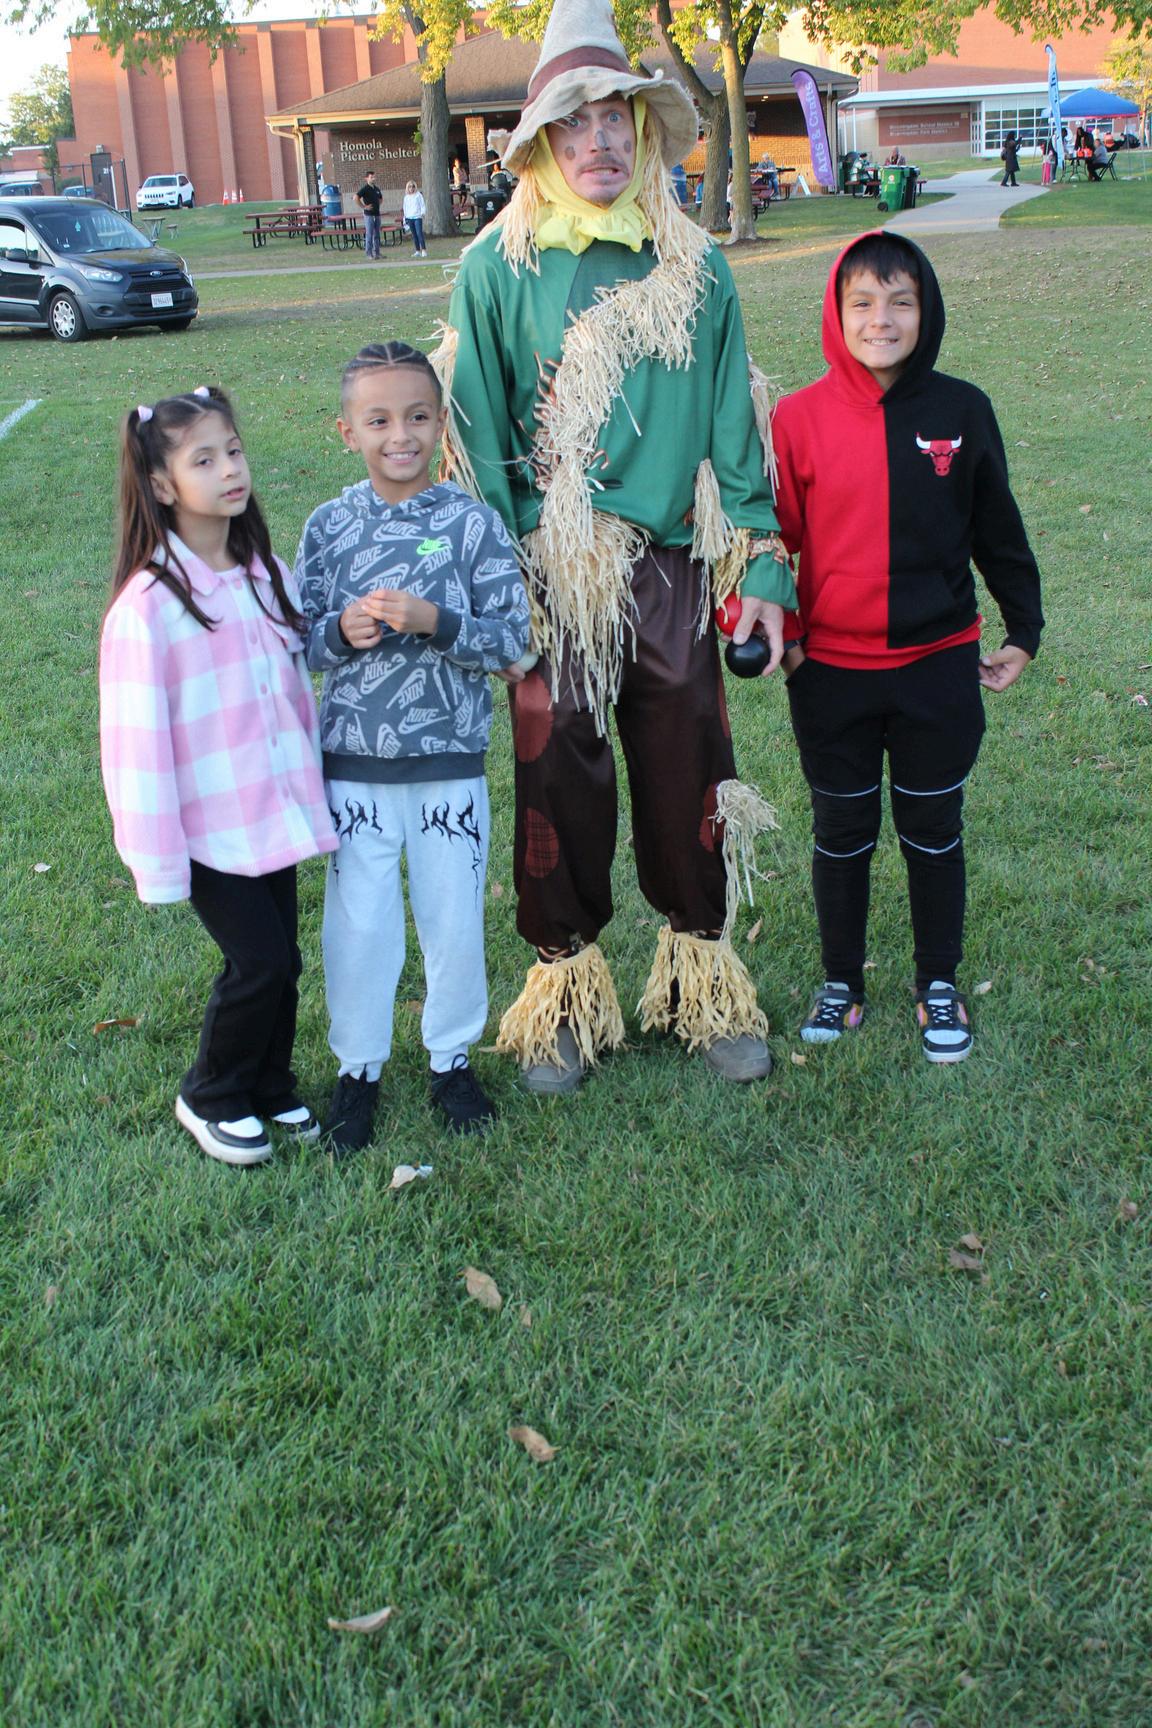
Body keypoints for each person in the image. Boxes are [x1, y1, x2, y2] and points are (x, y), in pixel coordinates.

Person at [436, 0, 794, 1095]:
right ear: (541, 141)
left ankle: (702, 978)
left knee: (691, 754)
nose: (598, 141)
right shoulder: (495, 270)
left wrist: (760, 567)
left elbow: (734, 430)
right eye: (574, 121)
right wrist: (508, 579)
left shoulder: (699, 268)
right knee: (557, 766)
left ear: (643, 135)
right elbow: (479, 440)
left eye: (615, 121)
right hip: (549, 568)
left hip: (672, 565)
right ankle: (564, 991)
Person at [771, 231, 1044, 1064]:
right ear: (836, 311)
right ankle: (840, 981)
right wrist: (782, 638)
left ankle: (938, 982)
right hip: (831, 673)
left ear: (927, 311)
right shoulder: (797, 418)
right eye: (862, 303)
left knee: (932, 828)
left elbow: (998, 528)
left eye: (901, 302)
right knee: (841, 829)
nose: (881, 320)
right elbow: (769, 542)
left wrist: (1022, 630)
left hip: (937, 668)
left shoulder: (963, 410)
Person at [295, 344, 529, 1155]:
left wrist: (439, 623)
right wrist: (338, 631)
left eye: (418, 417)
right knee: (358, 923)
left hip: (448, 765)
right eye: (379, 420)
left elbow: (514, 642)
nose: (401, 435)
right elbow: (297, 642)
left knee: (453, 916)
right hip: (354, 766)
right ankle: (357, 1068)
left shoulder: (471, 523)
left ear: (440, 424)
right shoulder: (328, 527)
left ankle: (451, 1059)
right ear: (348, 432)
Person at [99, 387, 337, 1165]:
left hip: (272, 809)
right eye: (203, 460)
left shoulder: (265, 573)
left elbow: (291, 681)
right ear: (162, 485)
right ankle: (211, 1093)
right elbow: (135, 746)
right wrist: (157, 859)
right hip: (207, 827)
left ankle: (270, 1082)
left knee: (285, 959)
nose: (230, 469)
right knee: (257, 962)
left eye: (233, 451)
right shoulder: (147, 607)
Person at [356, 170, 382, 260]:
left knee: (377, 234)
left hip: (377, 214)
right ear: (366, 178)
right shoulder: (365, 189)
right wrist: (364, 207)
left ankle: (377, 253)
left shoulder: (376, 189)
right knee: (369, 234)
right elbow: (356, 197)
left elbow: (380, 198)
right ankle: (369, 253)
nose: (373, 178)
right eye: (371, 177)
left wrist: (377, 205)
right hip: (369, 215)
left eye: (374, 177)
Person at [402, 179, 427, 256]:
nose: (411, 188)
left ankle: (423, 250)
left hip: (417, 217)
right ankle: (417, 250)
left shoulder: (418, 195)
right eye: (410, 187)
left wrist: (422, 213)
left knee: (419, 233)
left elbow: (422, 205)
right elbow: (405, 208)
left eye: (413, 186)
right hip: (409, 217)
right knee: (414, 235)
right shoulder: (406, 197)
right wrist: (405, 218)